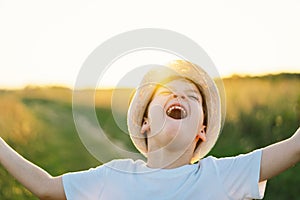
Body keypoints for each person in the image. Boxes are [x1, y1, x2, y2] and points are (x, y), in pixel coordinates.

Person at [0, 60, 299, 200]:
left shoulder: (221, 175)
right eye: (167, 92)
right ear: (145, 122)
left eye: (192, 97)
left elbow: (295, 146)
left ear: (202, 132)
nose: (179, 96)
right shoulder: (114, 177)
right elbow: (46, 187)